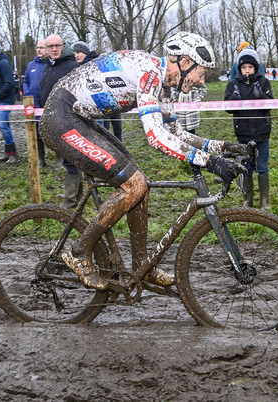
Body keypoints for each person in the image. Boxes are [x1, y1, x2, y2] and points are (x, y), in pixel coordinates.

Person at [39, 31, 247, 290]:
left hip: (79, 119)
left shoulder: (164, 85)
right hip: (61, 119)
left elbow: (176, 133)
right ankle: (79, 252)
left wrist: (224, 147)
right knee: (134, 184)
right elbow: (156, 138)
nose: (200, 82)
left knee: (141, 187)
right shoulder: (150, 74)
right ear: (184, 63)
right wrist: (211, 163)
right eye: (201, 74)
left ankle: (141, 267)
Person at [224, 46, 273, 210]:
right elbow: (227, 108)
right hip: (243, 133)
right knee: (246, 168)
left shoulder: (264, 82)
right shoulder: (233, 84)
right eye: (244, 67)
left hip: (262, 133)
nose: (247, 70)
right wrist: (233, 100)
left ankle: (265, 202)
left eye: (250, 67)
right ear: (239, 68)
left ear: (256, 67)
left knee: (262, 166)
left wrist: (263, 97)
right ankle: (248, 200)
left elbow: (271, 104)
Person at [39, 34, 80, 208]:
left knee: (71, 158)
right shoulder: (48, 66)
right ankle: (76, 194)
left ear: (64, 46)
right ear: (46, 49)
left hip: (69, 118)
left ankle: (69, 201)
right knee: (70, 158)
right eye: (51, 46)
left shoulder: (72, 66)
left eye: (58, 46)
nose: (54, 49)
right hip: (54, 118)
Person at [22, 39, 49, 167]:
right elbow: (25, 80)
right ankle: (41, 158)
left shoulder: (51, 65)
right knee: (36, 133)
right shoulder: (31, 65)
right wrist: (27, 92)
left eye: (42, 47)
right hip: (33, 104)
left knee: (53, 131)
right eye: (37, 47)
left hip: (48, 104)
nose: (39, 50)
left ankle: (60, 158)